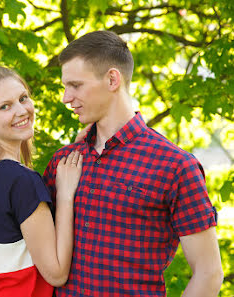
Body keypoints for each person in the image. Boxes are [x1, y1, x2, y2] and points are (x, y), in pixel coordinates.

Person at [43, 31, 224, 297]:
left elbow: (209, 273)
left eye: (76, 85)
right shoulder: (63, 162)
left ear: (112, 79)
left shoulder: (175, 166)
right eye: (65, 87)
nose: (66, 97)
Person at [0, 65, 83, 297]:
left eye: (23, 98)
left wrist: (80, 147)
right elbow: (56, 274)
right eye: (5, 106)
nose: (21, 110)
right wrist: (66, 195)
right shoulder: (21, 181)